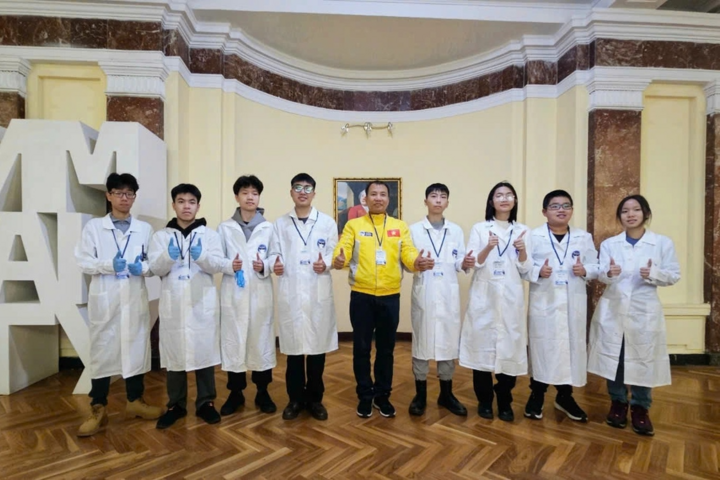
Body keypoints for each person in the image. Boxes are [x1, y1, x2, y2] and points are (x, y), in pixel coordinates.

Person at [333, 180, 434, 418]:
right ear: (365, 199)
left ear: (389, 199)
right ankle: (365, 397)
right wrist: (340, 260)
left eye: (383, 194)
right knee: (361, 349)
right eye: (373, 194)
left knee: (386, 350)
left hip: (390, 297)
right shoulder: (354, 225)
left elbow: (408, 252)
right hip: (362, 295)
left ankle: (382, 396)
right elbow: (344, 249)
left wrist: (415, 262)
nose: (378, 198)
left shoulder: (400, 226)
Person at [74, 173, 164, 437]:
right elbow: (82, 260)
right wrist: (107, 265)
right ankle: (98, 407)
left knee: (136, 350)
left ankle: (135, 401)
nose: (125, 198)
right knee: (102, 352)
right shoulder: (94, 228)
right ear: (109, 195)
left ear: (134, 197)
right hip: (107, 299)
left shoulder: (144, 229)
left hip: (134, 298)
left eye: (130, 194)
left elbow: (154, 263)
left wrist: (144, 268)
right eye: (119, 193)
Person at [588, 194, 680, 436]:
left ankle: (641, 408)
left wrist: (654, 273)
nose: (630, 214)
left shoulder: (661, 243)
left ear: (645, 214)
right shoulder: (610, 244)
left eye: (636, 210)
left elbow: (673, 275)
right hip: (614, 308)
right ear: (620, 217)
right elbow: (601, 274)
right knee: (615, 357)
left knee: (643, 357)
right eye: (625, 211)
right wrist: (609, 272)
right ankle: (618, 402)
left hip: (644, 310)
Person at [149, 184, 227, 429]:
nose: (186, 206)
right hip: (174, 303)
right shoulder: (161, 236)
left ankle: (206, 402)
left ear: (198, 206)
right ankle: (176, 404)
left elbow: (218, 265)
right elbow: (154, 268)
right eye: (181, 201)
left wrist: (202, 256)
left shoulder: (210, 235)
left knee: (203, 352)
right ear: (173, 205)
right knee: (175, 355)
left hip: (201, 302)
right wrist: (168, 256)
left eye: (191, 202)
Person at [459, 181, 532, 422]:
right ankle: (484, 401)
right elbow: (473, 262)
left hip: (511, 299)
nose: (504, 199)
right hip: (485, 298)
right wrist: (488, 248)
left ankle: (504, 400)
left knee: (509, 349)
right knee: (481, 351)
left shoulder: (523, 230)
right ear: (492, 201)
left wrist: (521, 250)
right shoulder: (481, 228)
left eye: (508, 195)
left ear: (514, 201)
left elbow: (526, 269)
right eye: (499, 195)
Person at [524, 190, 599, 422]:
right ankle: (536, 395)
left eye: (566, 205)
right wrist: (538, 271)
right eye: (555, 206)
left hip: (572, 303)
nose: (561, 210)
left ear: (572, 210)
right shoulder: (533, 236)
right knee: (542, 348)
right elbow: (522, 265)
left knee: (570, 348)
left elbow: (596, 265)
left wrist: (585, 270)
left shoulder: (582, 237)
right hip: (543, 303)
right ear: (544, 211)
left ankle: (565, 397)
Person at [269, 173, 338, 421]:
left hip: (317, 292)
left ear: (314, 193)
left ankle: (315, 400)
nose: (302, 191)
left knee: (317, 351)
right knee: (294, 353)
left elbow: (333, 253)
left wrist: (327, 264)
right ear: (291, 192)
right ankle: (295, 400)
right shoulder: (280, 224)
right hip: (292, 293)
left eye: (307, 188)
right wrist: (273, 264)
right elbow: (273, 254)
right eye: (297, 187)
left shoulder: (327, 223)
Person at [217, 175, 277, 416]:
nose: (250, 197)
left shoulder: (269, 227)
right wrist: (229, 264)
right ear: (236, 197)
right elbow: (216, 258)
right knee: (235, 340)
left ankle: (263, 392)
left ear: (259, 197)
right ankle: (235, 392)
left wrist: (265, 265)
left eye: (254, 193)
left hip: (260, 293)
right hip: (234, 293)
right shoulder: (225, 228)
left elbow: (276, 256)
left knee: (260, 339)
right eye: (245, 192)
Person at [407, 183, 468, 417]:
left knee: (448, 342)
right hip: (425, 292)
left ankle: (446, 393)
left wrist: (467, 263)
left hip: (448, 294)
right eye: (434, 196)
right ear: (426, 201)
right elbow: (407, 260)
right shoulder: (414, 230)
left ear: (447, 202)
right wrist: (416, 264)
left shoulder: (456, 231)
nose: (438, 200)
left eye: (443, 196)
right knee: (422, 341)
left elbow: (461, 261)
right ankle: (420, 395)